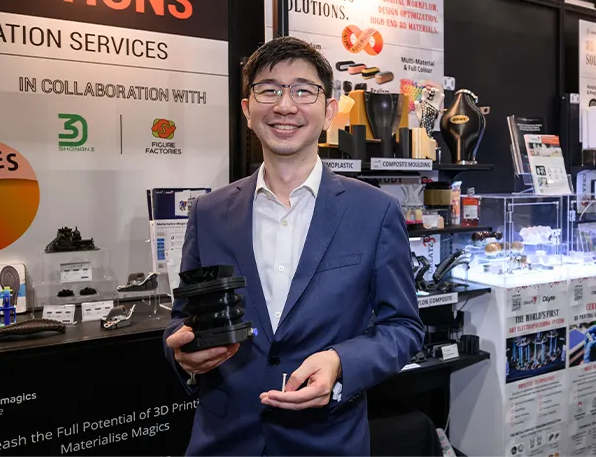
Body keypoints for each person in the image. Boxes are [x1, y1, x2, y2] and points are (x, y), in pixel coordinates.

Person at [163, 36, 424, 456]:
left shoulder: (374, 212)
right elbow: (184, 319)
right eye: (269, 90)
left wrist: (342, 361)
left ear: (329, 111)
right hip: (224, 442)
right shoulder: (209, 212)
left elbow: (405, 328)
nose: (285, 106)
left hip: (326, 441)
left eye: (304, 90)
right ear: (248, 110)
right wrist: (183, 350)